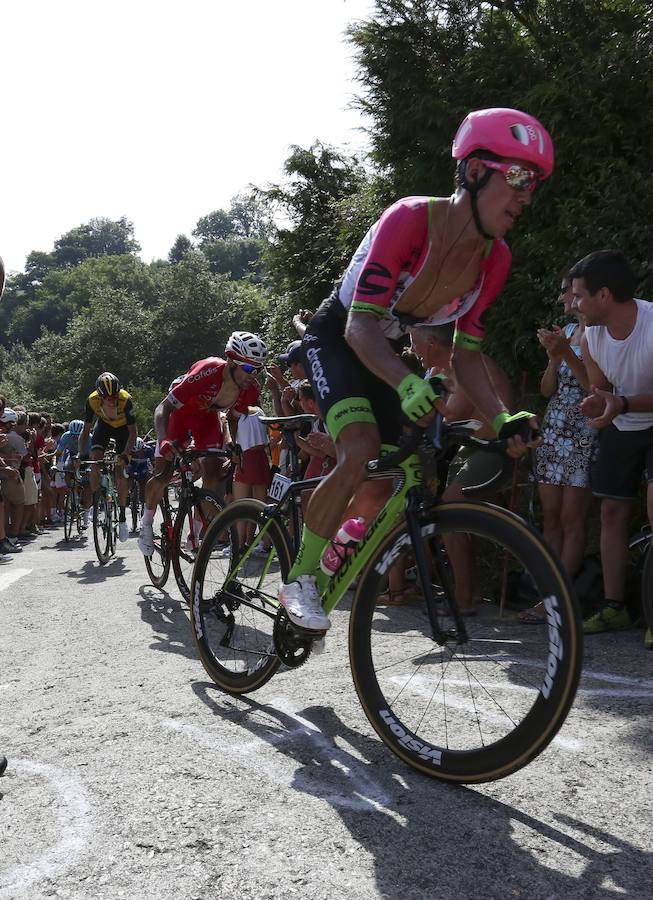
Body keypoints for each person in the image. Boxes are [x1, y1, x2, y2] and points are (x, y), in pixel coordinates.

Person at [278, 107, 552, 630]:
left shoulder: (496, 260)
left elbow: (465, 356)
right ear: (474, 171)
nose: (526, 194)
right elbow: (359, 328)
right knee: (358, 447)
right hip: (339, 335)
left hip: (384, 348)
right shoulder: (409, 219)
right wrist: (405, 382)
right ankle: (302, 578)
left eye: (533, 184)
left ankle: (339, 546)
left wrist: (503, 419)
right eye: (517, 177)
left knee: (395, 473)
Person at [569, 250, 653, 649]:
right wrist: (599, 403)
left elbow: (625, 399)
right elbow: (601, 389)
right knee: (611, 511)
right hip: (623, 424)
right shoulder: (591, 337)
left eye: (579, 296)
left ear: (604, 295)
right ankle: (614, 605)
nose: (574, 304)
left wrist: (621, 404)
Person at [138, 331, 267, 556]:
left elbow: (234, 419)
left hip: (207, 419)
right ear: (230, 361)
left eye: (258, 370)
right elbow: (163, 409)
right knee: (164, 474)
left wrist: (233, 444)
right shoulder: (209, 370)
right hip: (180, 414)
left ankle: (194, 534)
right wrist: (164, 440)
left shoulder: (250, 389)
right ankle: (146, 522)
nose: (252, 375)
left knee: (215, 473)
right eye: (247, 368)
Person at [519, 277, 599, 622]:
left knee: (572, 519)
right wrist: (554, 358)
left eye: (567, 290)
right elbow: (548, 388)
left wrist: (566, 352)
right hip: (554, 431)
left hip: (584, 431)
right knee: (550, 517)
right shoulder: (566, 330)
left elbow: (594, 387)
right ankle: (547, 594)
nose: (564, 296)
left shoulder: (598, 334)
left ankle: (559, 599)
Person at [78, 373, 137, 543]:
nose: (112, 400)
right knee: (95, 462)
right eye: (107, 397)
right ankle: (98, 502)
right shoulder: (92, 400)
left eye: (114, 396)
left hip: (124, 431)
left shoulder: (126, 400)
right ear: (100, 395)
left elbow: (133, 433)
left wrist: (125, 454)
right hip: (103, 427)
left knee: (120, 473)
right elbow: (86, 430)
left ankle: (123, 518)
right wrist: (81, 455)